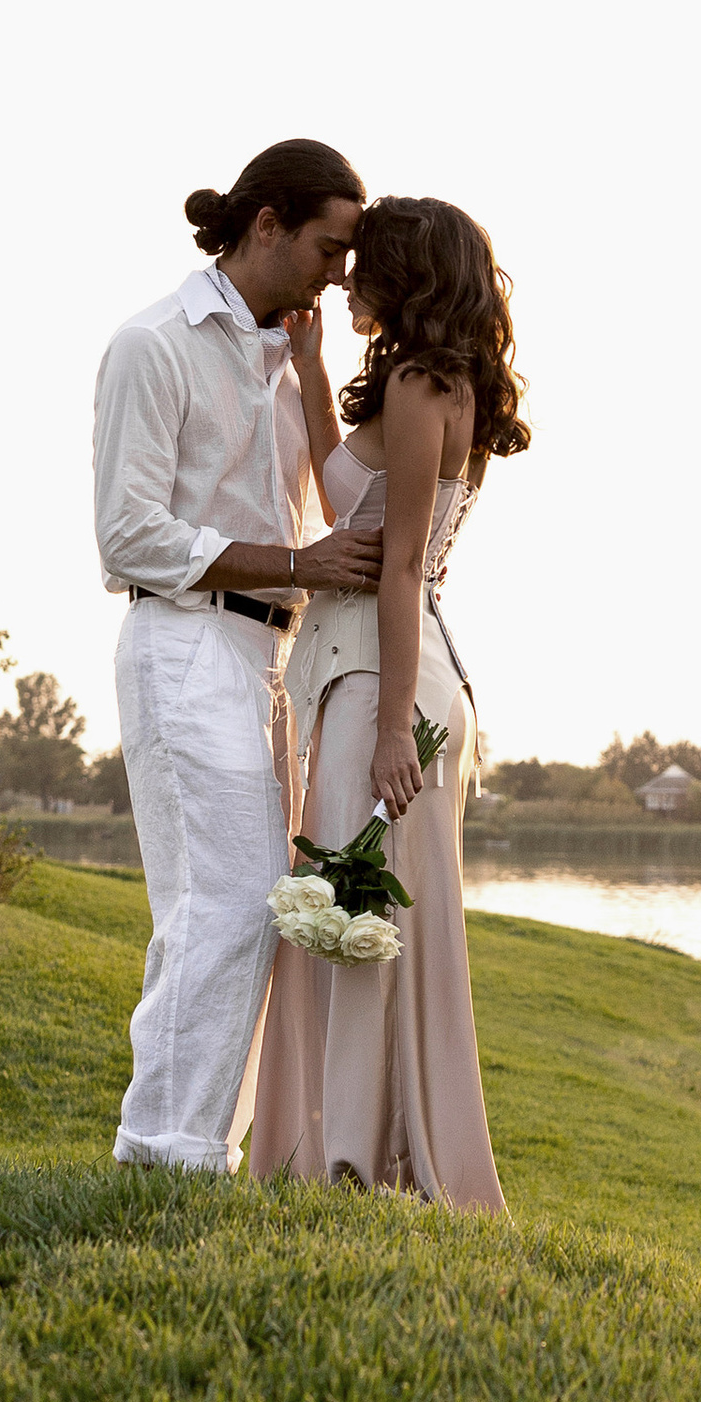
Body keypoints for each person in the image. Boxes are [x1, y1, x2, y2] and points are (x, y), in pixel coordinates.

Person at [93, 140, 386, 1174]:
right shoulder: (154, 344)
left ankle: (189, 1147)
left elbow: (327, 496)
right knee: (221, 900)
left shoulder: (288, 355)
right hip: (183, 645)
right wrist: (297, 557)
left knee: (247, 904)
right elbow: (126, 536)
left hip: (272, 662)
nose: (341, 273)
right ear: (265, 225)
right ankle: (169, 1149)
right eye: (329, 247)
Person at [246, 195, 529, 1212]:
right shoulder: (436, 384)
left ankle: (352, 1163)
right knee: (357, 918)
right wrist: (316, 375)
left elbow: (400, 566)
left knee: (353, 917)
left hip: (382, 684)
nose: (343, 277)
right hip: (381, 674)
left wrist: (391, 732)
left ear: (402, 272)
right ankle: (364, 1151)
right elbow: (347, 508)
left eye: (361, 263)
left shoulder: (419, 385)